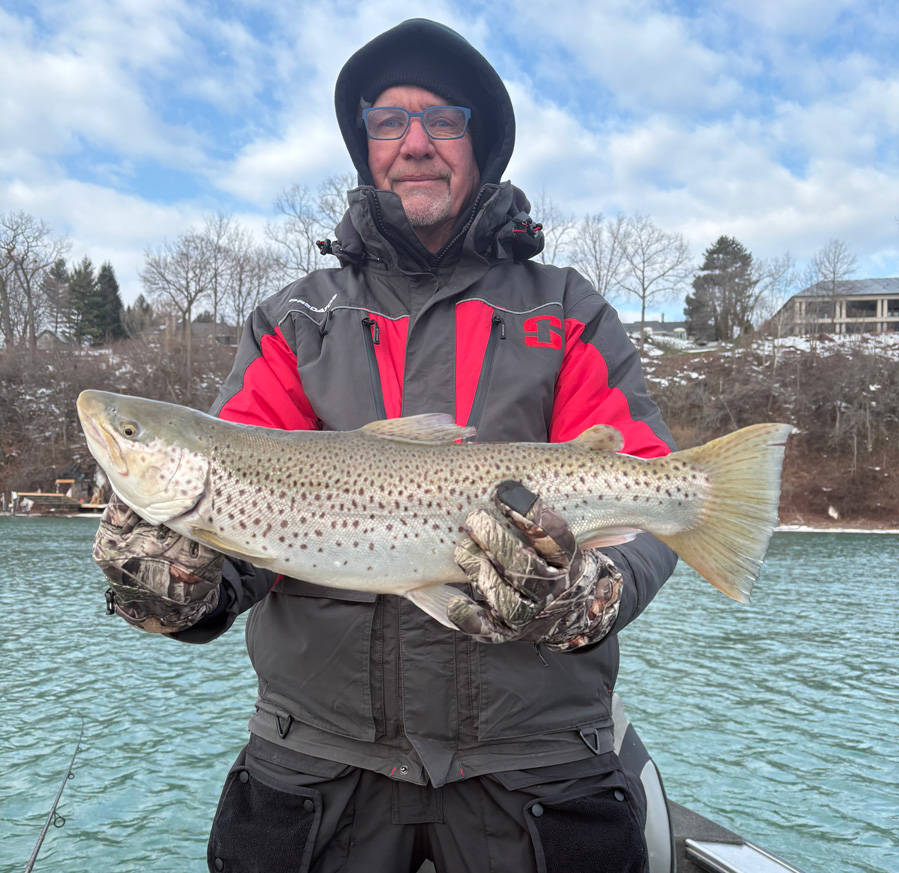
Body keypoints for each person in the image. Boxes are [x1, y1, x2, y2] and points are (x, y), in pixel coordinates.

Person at [94, 19, 678, 873]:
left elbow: (653, 491)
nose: (415, 143)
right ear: (365, 146)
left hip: (540, 765)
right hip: (317, 767)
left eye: (443, 119)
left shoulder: (568, 309)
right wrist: (175, 588)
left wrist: (592, 593)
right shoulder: (293, 321)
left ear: (482, 143)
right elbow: (239, 563)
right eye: (388, 121)